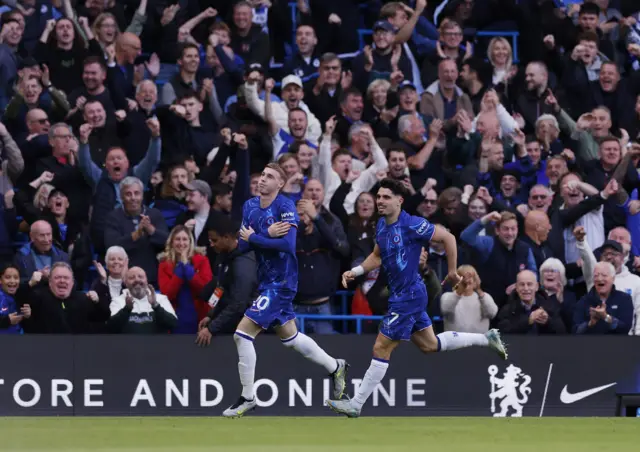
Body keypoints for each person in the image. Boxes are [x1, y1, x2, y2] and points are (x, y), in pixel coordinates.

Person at [326, 179, 506, 418]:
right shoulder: (381, 225)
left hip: (409, 296)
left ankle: (356, 404)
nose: (380, 201)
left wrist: (452, 271)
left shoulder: (413, 224)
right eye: (378, 197)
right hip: (402, 295)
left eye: (386, 197)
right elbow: (376, 256)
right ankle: (486, 339)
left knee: (381, 347)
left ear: (399, 201)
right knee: (430, 345)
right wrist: (356, 271)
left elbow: (449, 238)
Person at [222, 163, 348, 418]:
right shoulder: (250, 207)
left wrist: (257, 237)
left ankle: (248, 396)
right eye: (262, 175)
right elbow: (242, 247)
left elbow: (288, 245)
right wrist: (263, 234)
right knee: (291, 338)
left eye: (269, 177)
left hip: (282, 282)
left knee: (242, 334)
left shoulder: (285, 207)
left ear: (280, 184)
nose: (262, 180)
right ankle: (335, 367)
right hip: (266, 280)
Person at [158, 225, 212, 334]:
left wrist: (187, 267)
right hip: (175, 317)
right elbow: (167, 294)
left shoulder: (202, 260)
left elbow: (205, 289)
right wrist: (179, 270)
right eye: (177, 239)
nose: (181, 243)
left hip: (199, 316)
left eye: (184, 239)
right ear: (172, 242)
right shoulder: (164, 264)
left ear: (190, 241)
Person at [0, 265, 30, 333]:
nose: (12, 281)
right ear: (0, 280)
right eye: (8, 277)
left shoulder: (19, 297)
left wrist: (26, 315)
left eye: (16, 278)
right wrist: (7, 320)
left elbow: (17, 321)